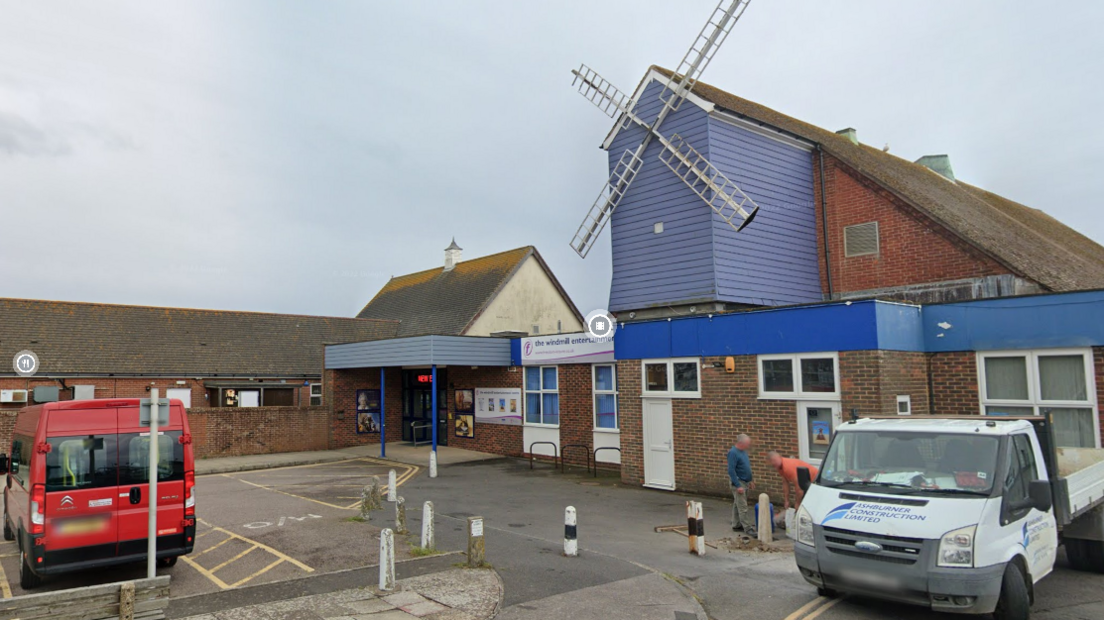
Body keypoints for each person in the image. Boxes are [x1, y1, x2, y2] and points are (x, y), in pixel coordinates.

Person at [727, 434, 757, 536]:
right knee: (743, 506)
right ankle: (748, 528)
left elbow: (746, 466)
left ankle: (736, 524)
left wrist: (751, 480)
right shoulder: (733, 453)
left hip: (745, 481)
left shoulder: (743, 452)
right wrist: (738, 485)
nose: (748, 446)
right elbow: (731, 471)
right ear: (741, 443)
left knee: (737, 504)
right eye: (747, 444)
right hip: (739, 482)